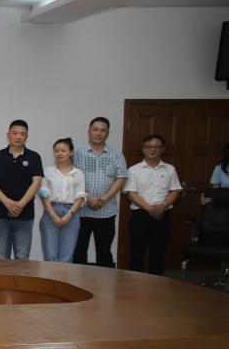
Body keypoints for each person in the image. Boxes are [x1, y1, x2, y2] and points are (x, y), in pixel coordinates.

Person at [72, 116, 128, 267]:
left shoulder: (116, 154)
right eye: (95, 129)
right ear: (89, 131)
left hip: (106, 211)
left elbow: (121, 178)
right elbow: (72, 178)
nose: (98, 133)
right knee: (78, 251)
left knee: (104, 251)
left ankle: (105, 282)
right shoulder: (77, 153)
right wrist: (88, 197)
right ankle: (79, 281)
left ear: (107, 133)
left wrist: (104, 199)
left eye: (103, 130)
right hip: (81, 210)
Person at [125, 134, 182, 275]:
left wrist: (163, 206)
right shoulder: (134, 170)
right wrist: (150, 209)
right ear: (143, 149)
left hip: (163, 215)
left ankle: (156, 283)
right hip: (140, 216)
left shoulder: (170, 169)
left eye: (156, 146)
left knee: (158, 253)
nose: (152, 149)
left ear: (162, 149)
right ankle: (134, 284)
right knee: (136, 253)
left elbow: (175, 190)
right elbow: (131, 193)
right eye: (149, 146)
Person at [0, 120, 43, 260]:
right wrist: (7, 202)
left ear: (27, 137)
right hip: (0, 214)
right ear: (8, 135)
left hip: (25, 214)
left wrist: (20, 205)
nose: (18, 137)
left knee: (22, 256)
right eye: (15, 133)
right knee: (2, 256)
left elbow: (36, 183)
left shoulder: (34, 157)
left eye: (22, 134)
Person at [39, 138, 87, 263]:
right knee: (50, 254)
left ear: (71, 152)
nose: (59, 153)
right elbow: (44, 194)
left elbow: (80, 196)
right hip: (51, 210)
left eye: (63, 151)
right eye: (56, 151)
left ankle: (63, 276)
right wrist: (54, 216)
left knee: (67, 254)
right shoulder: (48, 171)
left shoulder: (78, 173)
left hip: (72, 212)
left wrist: (69, 215)